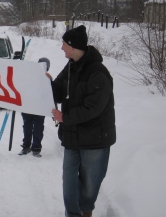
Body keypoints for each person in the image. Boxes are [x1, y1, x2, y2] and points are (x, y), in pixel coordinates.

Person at [48, 25, 116, 217]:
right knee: (68, 182)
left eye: (64, 44)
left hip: (95, 140)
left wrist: (65, 117)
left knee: (89, 185)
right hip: (72, 137)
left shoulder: (97, 72)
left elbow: (93, 108)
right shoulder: (71, 67)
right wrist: (46, 83)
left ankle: (86, 212)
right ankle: (72, 214)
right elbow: (59, 91)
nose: (61, 47)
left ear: (73, 46)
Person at [19, 57, 50, 158]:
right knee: (27, 127)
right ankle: (26, 146)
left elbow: (51, 94)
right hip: (28, 107)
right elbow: (23, 89)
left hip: (40, 109)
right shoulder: (30, 76)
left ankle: (36, 148)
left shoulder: (48, 78)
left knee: (38, 128)